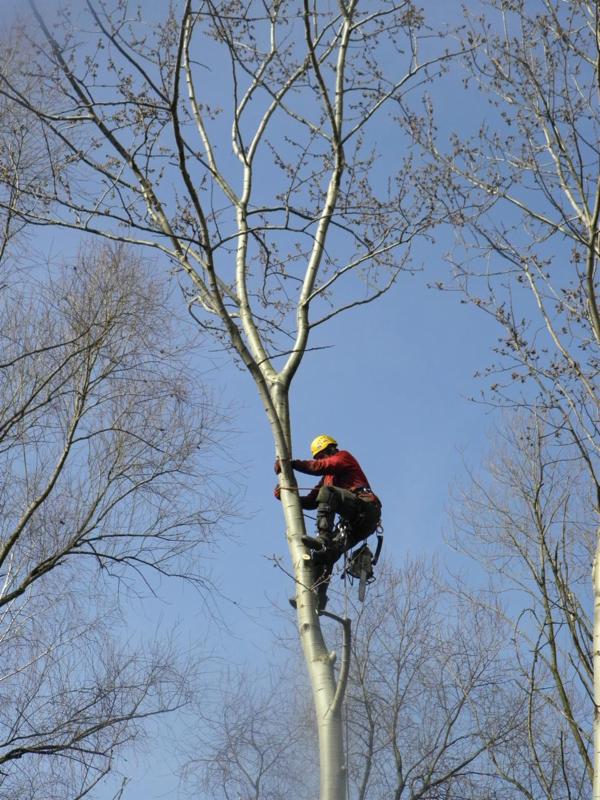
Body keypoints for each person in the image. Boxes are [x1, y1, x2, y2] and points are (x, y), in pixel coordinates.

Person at [274, 435, 382, 610]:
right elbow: (312, 501)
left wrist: (291, 464)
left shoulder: (343, 457)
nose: (321, 460)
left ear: (331, 450)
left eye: (322, 455)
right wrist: (287, 497)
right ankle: (317, 596)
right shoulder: (327, 479)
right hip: (354, 525)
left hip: (366, 509)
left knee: (328, 493)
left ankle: (323, 538)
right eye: (318, 458)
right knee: (326, 554)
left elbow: (320, 467)